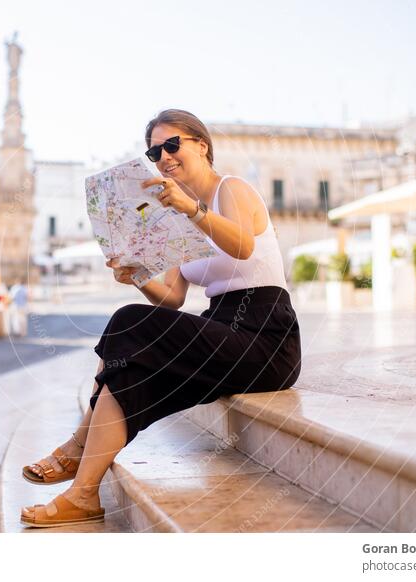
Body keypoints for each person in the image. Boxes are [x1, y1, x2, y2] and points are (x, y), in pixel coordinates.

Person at [20, 109, 302, 527]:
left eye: (173, 145)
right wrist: (135, 276)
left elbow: (242, 245)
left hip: (266, 337)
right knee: (129, 372)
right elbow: (171, 298)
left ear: (201, 145)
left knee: (129, 323)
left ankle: (77, 446)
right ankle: (83, 494)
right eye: (154, 152)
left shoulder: (231, 190)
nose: (164, 157)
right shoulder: (174, 216)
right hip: (222, 328)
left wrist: (193, 209)